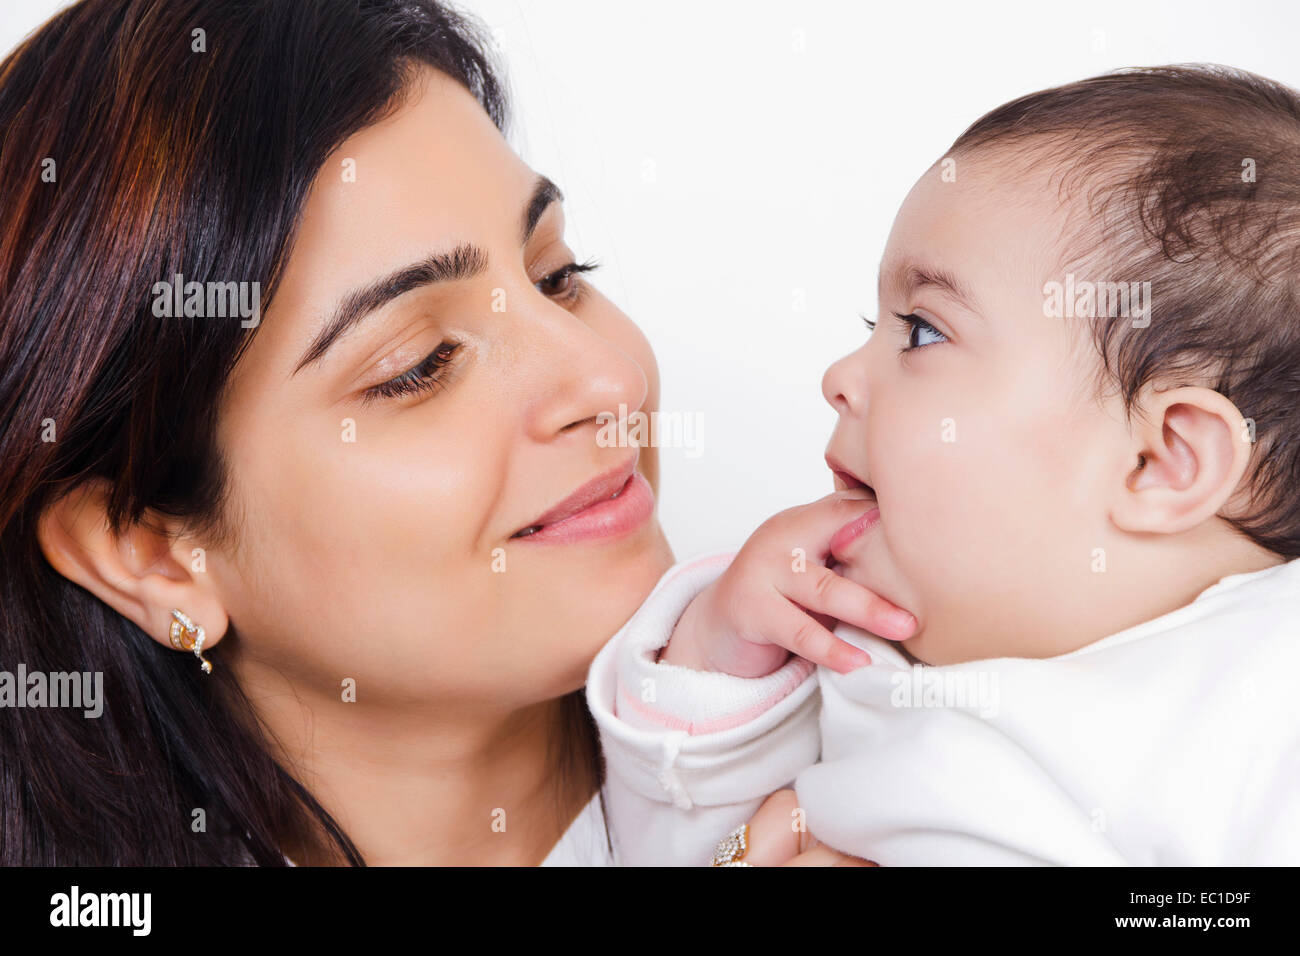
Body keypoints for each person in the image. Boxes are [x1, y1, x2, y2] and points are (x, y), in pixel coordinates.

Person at [0, 0, 906, 865]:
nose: (610, 379)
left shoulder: (914, 760)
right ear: (147, 551)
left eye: (557, 274)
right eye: (420, 363)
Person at [589, 64, 1300, 866]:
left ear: (1161, 461)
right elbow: (682, 851)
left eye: (923, 330)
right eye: (877, 322)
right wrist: (715, 667)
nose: (840, 377)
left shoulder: (1269, 691)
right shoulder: (861, 649)